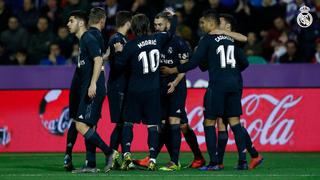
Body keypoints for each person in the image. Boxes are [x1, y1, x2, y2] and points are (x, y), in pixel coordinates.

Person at [161, 10, 250, 170]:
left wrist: (173, 70)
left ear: (210, 23)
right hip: (235, 84)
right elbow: (243, 59)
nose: (201, 26)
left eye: (203, 23)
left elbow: (194, 64)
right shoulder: (230, 39)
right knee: (235, 121)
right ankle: (243, 161)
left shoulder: (207, 39)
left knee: (209, 122)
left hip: (218, 85)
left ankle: (214, 162)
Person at [134, 11, 206, 171]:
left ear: (168, 24)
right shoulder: (154, 41)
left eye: (160, 24)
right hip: (159, 88)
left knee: (175, 123)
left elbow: (184, 67)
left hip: (176, 87)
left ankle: (174, 162)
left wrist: (174, 81)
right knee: (174, 125)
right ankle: (197, 157)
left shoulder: (179, 43)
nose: (157, 27)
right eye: (155, 25)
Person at [112, 9, 177, 171]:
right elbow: (171, 31)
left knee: (128, 122)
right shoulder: (158, 39)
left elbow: (118, 67)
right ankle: (153, 158)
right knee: (152, 125)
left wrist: (119, 52)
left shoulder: (130, 46)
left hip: (134, 90)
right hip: (153, 91)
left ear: (132, 28)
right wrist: (172, 16)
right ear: (148, 26)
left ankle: (126, 153)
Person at [63, 9, 120, 173]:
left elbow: (97, 60)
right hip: (88, 87)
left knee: (81, 125)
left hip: (92, 88)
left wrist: (93, 84)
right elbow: (98, 58)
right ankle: (91, 164)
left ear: (81, 23)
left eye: (71, 21)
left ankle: (110, 152)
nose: (68, 24)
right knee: (87, 125)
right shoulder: (83, 40)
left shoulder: (88, 37)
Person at [215, 13, 263, 170]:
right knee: (227, 121)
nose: (216, 24)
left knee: (230, 121)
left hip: (231, 85)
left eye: (219, 22)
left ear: (228, 27)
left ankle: (240, 159)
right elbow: (244, 62)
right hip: (227, 84)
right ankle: (253, 154)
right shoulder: (222, 42)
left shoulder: (233, 41)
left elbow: (244, 41)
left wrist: (232, 72)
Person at [106, 10, 133, 169]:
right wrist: (119, 54)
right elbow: (116, 67)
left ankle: (114, 157)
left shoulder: (121, 38)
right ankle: (119, 157)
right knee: (123, 123)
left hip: (121, 86)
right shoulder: (117, 39)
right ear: (128, 22)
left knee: (121, 124)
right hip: (118, 86)